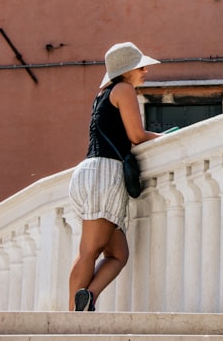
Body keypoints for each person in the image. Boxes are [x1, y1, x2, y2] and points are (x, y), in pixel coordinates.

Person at [67, 42, 162, 311]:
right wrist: (168, 136)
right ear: (127, 69)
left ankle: (88, 298)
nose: (145, 71)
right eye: (141, 66)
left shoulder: (103, 94)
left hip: (92, 173)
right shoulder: (124, 89)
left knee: (118, 254)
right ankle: (72, 318)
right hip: (104, 174)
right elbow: (136, 136)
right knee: (89, 250)